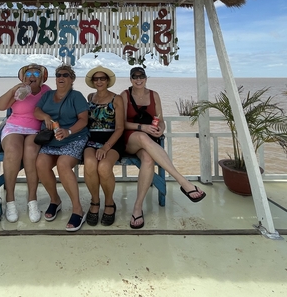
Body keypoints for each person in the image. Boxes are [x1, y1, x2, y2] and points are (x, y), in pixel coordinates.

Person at [121, 66, 206, 229]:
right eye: (135, 77)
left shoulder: (154, 95)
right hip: (130, 138)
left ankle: (137, 207)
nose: (138, 80)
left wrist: (161, 128)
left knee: (147, 158)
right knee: (141, 137)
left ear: (146, 78)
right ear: (130, 79)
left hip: (149, 139)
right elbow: (121, 123)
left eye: (142, 77)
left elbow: (160, 119)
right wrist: (142, 127)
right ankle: (183, 182)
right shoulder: (124, 95)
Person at [34, 64, 89, 232]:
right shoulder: (48, 95)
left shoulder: (76, 96)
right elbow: (36, 110)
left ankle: (78, 209)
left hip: (74, 137)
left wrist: (68, 131)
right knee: (41, 164)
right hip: (53, 139)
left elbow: (84, 120)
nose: (61, 77)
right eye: (58, 74)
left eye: (65, 75)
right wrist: (45, 117)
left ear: (71, 79)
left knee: (63, 165)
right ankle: (55, 200)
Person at [0, 64, 51, 223]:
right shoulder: (18, 90)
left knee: (31, 152)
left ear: (41, 78)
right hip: (14, 127)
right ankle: (10, 200)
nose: (31, 76)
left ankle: (32, 199)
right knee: (12, 151)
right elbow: (0, 106)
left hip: (35, 130)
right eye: (28, 73)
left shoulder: (46, 91)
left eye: (36, 73)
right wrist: (14, 90)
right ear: (23, 76)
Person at [82, 66, 125, 227]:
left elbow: (120, 127)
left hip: (112, 140)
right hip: (92, 140)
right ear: (93, 82)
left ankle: (109, 203)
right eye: (96, 79)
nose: (99, 81)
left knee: (104, 168)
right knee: (90, 164)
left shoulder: (117, 99)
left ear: (107, 81)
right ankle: (94, 201)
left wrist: (106, 147)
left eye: (102, 78)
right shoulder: (90, 97)